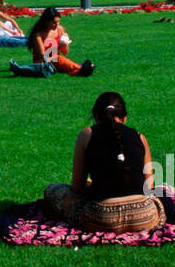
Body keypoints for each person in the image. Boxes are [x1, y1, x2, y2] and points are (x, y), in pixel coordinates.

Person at [42, 92, 165, 232]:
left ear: (95, 116)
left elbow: (77, 187)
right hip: (145, 217)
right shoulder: (140, 137)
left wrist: (92, 186)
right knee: (166, 189)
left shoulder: (86, 135)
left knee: (53, 190)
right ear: (125, 117)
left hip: (102, 218)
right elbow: (149, 187)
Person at [17, 6, 94, 76]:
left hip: (56, 60)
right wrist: (56, 52)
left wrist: (65, 44)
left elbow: (65, 52)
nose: (57, 25)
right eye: (53, 22)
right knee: (59, 59)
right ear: (46, 21)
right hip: (43, 62)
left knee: (60, 60)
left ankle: (79, 71)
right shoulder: (38, 35)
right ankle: (80, 68)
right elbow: (43, 56)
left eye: (58, 22)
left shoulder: (59, 29)